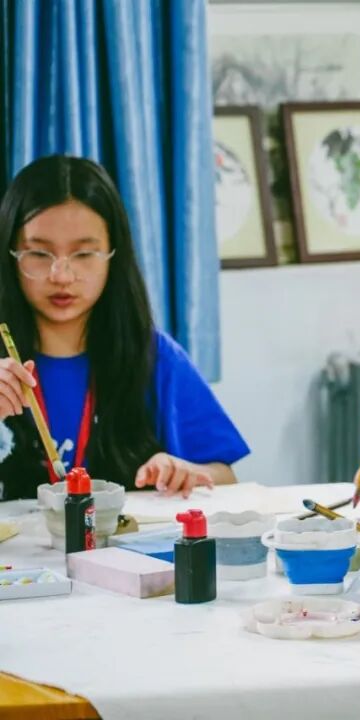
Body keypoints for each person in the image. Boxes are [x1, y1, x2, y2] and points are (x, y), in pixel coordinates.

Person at [0, 156, 249, 500]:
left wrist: (184, 472)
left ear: (113, 256)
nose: (62, 275)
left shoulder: (154, 356)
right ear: (10, 254)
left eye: (84, 254)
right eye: (40, 254)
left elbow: (226, 477)